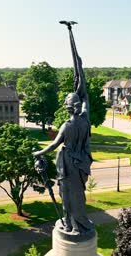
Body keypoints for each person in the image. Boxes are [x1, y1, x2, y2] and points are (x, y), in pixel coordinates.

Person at [33, 92, 94, 234]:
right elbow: (86, 98)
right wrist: (79, 71)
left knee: (67, 195)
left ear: (68, 108)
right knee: (78, 194)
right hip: (81, 164)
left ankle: (72, 225)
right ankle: (73, 223)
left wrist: (38, 153)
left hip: (68, 165)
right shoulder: (86, 119)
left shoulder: (66, 126)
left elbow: (54, 145)